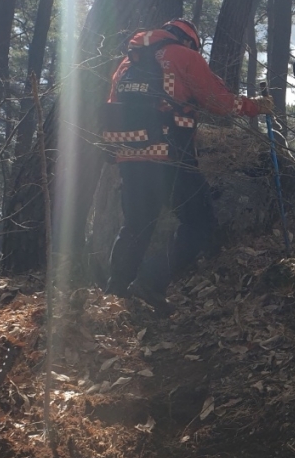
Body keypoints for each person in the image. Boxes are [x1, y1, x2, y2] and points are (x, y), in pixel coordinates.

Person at [103, 19, 273, 309]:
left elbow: (112, 106)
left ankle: (114, 295)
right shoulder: (182, 56)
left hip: (128, 154)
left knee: (136, 225)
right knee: (199, 222)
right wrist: (255, 106)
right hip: (169, 154)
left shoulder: (127, 62)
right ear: (189, 42)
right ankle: (151, 282)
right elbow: (218, 101)